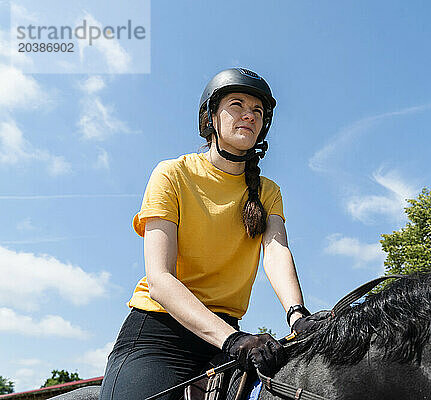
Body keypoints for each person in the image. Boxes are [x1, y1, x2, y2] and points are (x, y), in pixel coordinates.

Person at [99, 68, 313, 400]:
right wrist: (232, 340)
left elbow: (276, 250)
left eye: (257, 111)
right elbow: (159, 279)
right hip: (159, 334)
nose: (249, 115)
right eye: (237, 105)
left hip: (227, 334)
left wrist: (297, 315)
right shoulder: (172, 174)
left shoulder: (269, 191)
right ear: (211, 117)